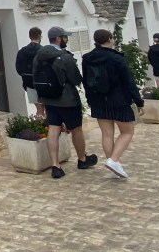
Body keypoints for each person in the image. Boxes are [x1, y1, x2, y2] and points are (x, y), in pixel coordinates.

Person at [33, 26, 97, 179]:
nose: (66, 40)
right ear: (58, 38)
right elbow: (76, 79)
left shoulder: (38, 56)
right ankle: (82, 159)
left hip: (48, 99)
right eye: (64, 37)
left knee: (53, 129)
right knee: (76, 129)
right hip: (68, 100)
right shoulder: (65, 57)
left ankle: (55, 165)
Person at [82, 29, 144, 178]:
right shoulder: (116, 58)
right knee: (127, 131)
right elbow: (129, 81)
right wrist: (139, 101)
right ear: (109, 39)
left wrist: (90, 100)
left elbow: (86, 81)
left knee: (107, 134)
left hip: (98, 100)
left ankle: (114, 166)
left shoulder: (87, 58)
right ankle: (114, 160)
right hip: (118, 100)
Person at [15, 26, 45, 119]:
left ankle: (39, 125)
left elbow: (18, 68)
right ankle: (49, 126)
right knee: (47, 108)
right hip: (42, 83)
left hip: (28, 83)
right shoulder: (43, 51)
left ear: (29, 36)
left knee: (39, 109)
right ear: (39, 37)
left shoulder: (22, 51)